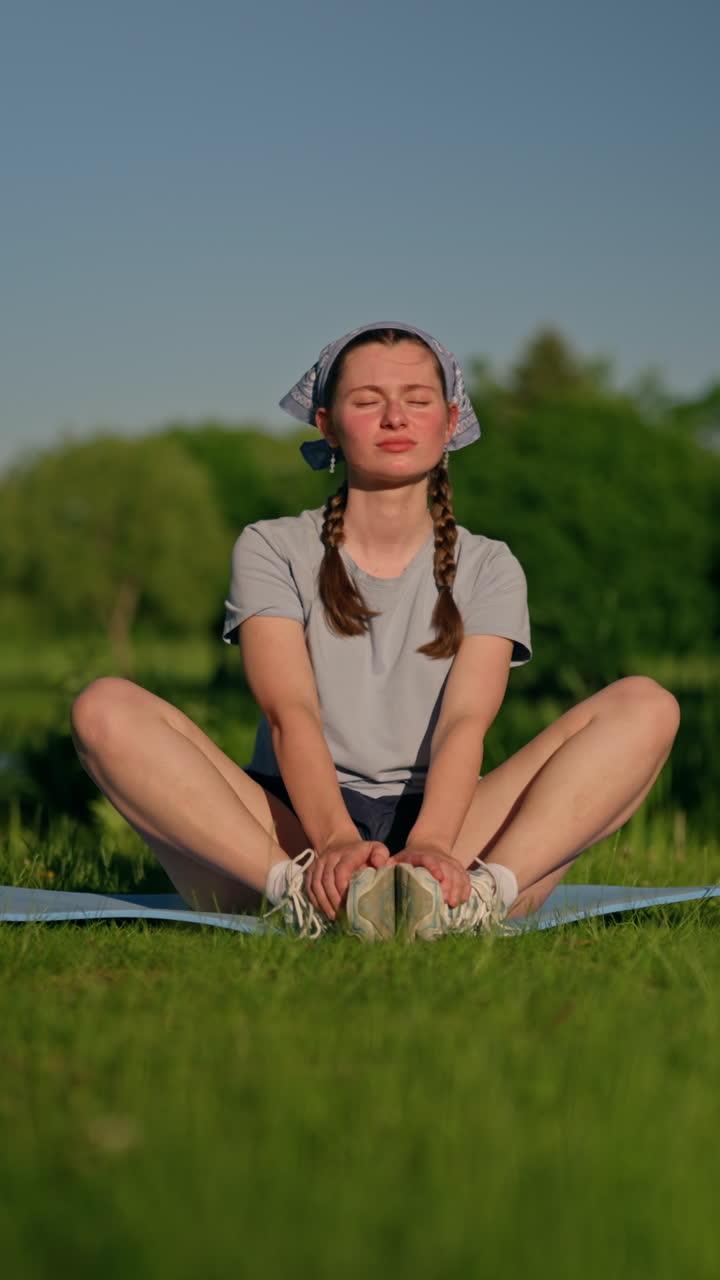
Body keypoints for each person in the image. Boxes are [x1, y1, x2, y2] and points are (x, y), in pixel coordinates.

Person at [70, 322, 680, 941]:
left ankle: (476, 898)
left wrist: (434, 845)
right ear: (328, 425)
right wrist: (334, 842)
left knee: (648, 706)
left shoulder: (490, 564)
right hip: (294, 831)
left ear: (449, 422)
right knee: (104, 707)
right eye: (367, 401)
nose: (395, 418)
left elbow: (465, 722)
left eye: (417, 400)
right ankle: (297, 897)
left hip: (451, 827)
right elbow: (290, 713)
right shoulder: (271, 546)